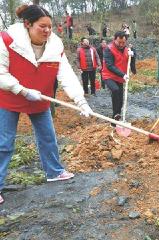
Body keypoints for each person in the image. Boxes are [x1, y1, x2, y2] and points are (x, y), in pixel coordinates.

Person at [0, 4, 93, 204]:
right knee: (4, 143)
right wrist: (22, 90)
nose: (47, 31)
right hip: (9, 97)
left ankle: (54, 171)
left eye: (50, 26)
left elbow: (66, 74)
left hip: (40, 98)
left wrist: (81, 100)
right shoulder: (7, 40)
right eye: (42, 26)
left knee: (47, 137)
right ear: (27, 24)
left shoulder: (55, 45)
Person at [102, 31, 135, 125]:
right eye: (119, 42)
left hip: (120, 78)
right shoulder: (109, 49)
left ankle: (116, 118)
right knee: (115, 90)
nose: (121, 44)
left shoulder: (127, 49)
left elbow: (130, 60)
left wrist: (133, 55)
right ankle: (115, 116)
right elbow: (110, 65)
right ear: (114, 39)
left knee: (120, 99)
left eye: (123, 42)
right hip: (108, 76)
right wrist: (123, 75)